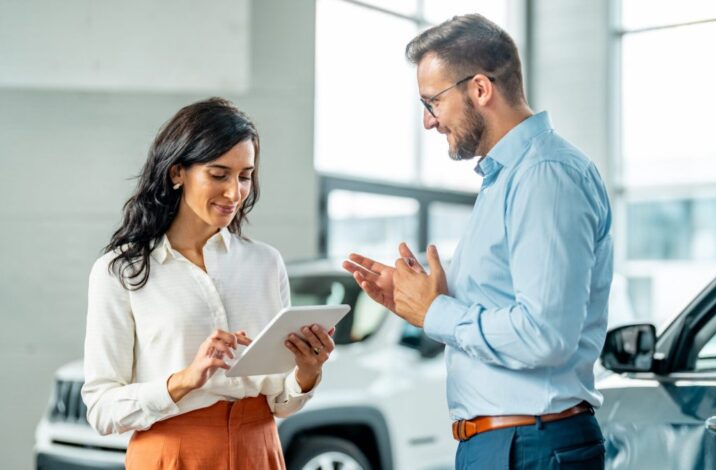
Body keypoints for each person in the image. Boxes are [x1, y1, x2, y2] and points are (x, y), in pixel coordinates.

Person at [343, 14, 612, 469]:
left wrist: (436, 312)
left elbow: (545, 335)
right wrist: (419, 302)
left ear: (481, 89)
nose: (429, 122)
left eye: (432, 103)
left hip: (530, 445)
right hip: (510, 444)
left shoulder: (543, 175)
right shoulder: (506, 179)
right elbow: (506, 306)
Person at [82, 97, 334, 470]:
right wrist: (185, 379)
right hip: (172, 454)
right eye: (219, 175)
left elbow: (281, 402)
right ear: (176, 173)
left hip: (259, 449)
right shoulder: (121, 271)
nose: (234, 192)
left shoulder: (265, 263)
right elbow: (102, 409)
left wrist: (307, 371)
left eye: (245, 176)